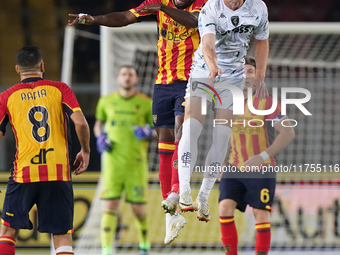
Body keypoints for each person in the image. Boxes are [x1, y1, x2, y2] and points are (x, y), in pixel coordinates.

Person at [68, 0, 207, 244]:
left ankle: (178, 189)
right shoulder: (158, 3)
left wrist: (162, 10)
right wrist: (94, 19)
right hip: (163, 83)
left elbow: (194, 22)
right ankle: (170, 214)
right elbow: (125, 17)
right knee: (164, 142)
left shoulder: (201, 5)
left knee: (180, 130)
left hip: (191, 80)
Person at [177, 0, 270, 222]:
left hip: (234, 76)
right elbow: (207, 45)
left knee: (221, 136)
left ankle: (204, 195)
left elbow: (262, 41)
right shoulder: (212, 8)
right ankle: (184, 190)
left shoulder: (258, 8)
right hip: (204, 70)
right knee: (192, 126)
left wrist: (260, 75)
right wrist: (212, 67)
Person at [0, 46, 90, 255]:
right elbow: (81, 124)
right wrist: (85, 150)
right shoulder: (59, 89)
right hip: (57, 172)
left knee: (7, 231)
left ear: (17, 69)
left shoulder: (6, 96)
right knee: (62, 235)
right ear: (42, 66)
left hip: (24, 173)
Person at [218, 57, 295, 255]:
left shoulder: (266, 102)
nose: (245, 76)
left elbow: (288, 132)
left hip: (261, 169)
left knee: (260, 214)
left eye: (250, 71)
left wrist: (262, 156)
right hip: (234, 166)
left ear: (257, 76)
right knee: (224, 208)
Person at [94, 66, 154, 255]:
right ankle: (106, 250)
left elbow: (158, 129)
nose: (126, 78)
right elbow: (98, 125)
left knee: (138, 210)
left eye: (130, 74)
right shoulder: (106, 101)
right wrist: (100, 138)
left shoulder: (146, 103)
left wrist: (148, 132)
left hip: (136, 163)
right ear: (118, 78)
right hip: (113, 163)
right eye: (123, 74)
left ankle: (144, 245)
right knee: (109, 206)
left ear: (136, 79)